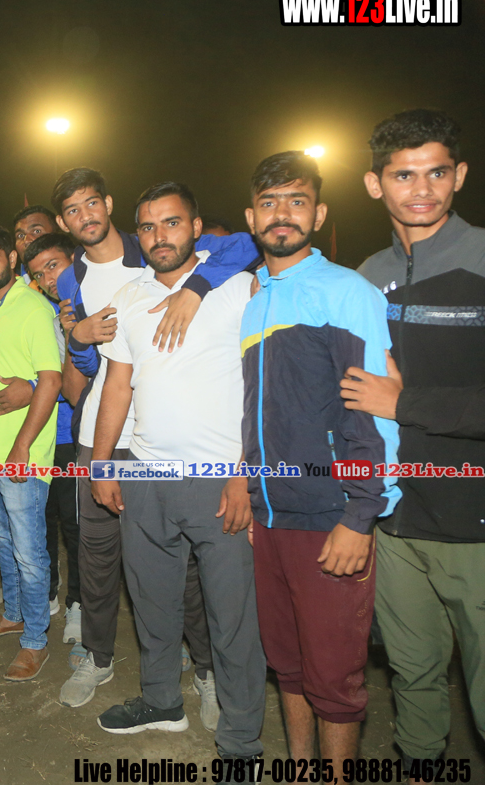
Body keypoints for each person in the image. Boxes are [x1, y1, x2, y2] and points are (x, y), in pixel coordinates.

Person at [52, 166, 256, 709]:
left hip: (177, 447)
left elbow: (246, 243)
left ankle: (206, 670)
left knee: (187, 573)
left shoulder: (161, 256)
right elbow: (98, 369)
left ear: (108, 204)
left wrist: (196, 287)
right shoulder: (72, 278)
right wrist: (78, 338)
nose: (84, 216)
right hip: (107, 436)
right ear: (63, 222)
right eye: (72, 210)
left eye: (91, 203)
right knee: (99, 559)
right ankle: (98, 657)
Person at [241, 150, 399, 772]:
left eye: (297, 201)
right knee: (288, 665)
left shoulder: (345, 291)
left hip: (332, 516)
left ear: (319, 213)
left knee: (334, 681)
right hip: (271, 516)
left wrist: (360, 516)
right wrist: (255, 498)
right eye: (270, 203)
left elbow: (372, 416)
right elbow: (260, 415)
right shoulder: (257, 300)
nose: (282, 214)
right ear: (251, 216)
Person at [348, 109, 485, 772]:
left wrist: (404, 403)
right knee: (413, 675)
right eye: (404, 175)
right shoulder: (366, 275)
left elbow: (393, 396)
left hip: (474, 520)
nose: (422, 189)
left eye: (436, 172)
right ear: (375, 184)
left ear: (459, 175)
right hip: (396, 520)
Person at [0, 224, 62, 682]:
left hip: (21, 457)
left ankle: (36, 641)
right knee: (5, 540)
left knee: (29, 552)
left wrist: (22, 446)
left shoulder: (33, 307)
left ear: (12, 259)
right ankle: (15, 615)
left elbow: (51, 380)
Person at [21, 230, 91, 636]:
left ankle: (79, 603)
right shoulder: (42, 311)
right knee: (42, 522)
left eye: (54, 266)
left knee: (77, 525)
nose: (49, 279)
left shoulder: (93, 303)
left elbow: (72, 387)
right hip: (42, 435)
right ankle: (46, 591)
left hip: (75, 437)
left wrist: (71, 334)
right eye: (39, 273)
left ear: (74, 259)